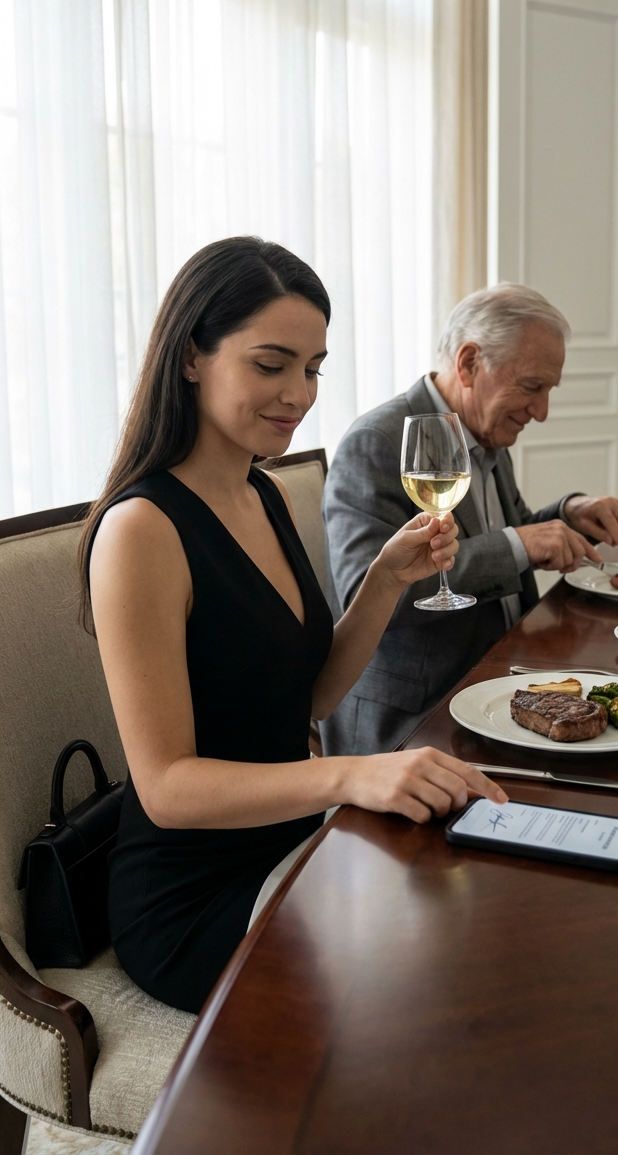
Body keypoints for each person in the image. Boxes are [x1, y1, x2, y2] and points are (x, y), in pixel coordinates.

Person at [82, 237, 505, 1013]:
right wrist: (354, 775)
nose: (299, 394)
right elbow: (168, 787)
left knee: (480, 914)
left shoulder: (262, 492)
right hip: (194, 899)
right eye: (270, 365)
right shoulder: (141, 530)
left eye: (312, 368)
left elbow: (305, 701)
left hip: (296, 839)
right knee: (432, 991)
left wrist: (383, 580)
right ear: (189, 358)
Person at [321, 284, 618, 757]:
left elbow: (507, 533)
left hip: (498, 683)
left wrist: (567, 513)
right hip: (418, 719)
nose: (542, 412)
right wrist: (521, 543)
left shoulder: (482, 430)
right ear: (469, 364)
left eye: (548, 390)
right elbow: (367, 590)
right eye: (532, 387)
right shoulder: (378, 441)